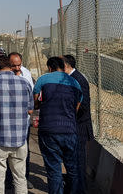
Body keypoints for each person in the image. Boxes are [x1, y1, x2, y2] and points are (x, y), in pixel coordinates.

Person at [0, 55, 33, 194]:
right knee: (20, 178)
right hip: (20, 139)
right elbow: (30, 110)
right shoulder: (25, 83)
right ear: (10, 66)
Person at [33, 57, 82, 194]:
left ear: (50, 68)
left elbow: (35, 103)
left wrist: (43, 104)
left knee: (54, 169)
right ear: (63, 67)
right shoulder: (75, 83)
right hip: (69, 131)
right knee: (72, 169)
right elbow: (76, 107)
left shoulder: (43, 79)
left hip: (48, 130)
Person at [62, 54, 93, 194]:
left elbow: (84, 106)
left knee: (79, 163)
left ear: (66, 66)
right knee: (72, 162)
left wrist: (69, 116)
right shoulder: (72, 78)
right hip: (74, 127)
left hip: (79, 127)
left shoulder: (78, 79)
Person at [7, 52, 34, 190]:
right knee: (7, 151)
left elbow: (31, 95)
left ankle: (24, 178)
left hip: (23, 121)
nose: (17, 68)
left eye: (19, 65)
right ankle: (8, 179)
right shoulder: (3, 76)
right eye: (14, 66)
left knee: (24, 151)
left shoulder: (26, 74)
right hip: (8, 121)